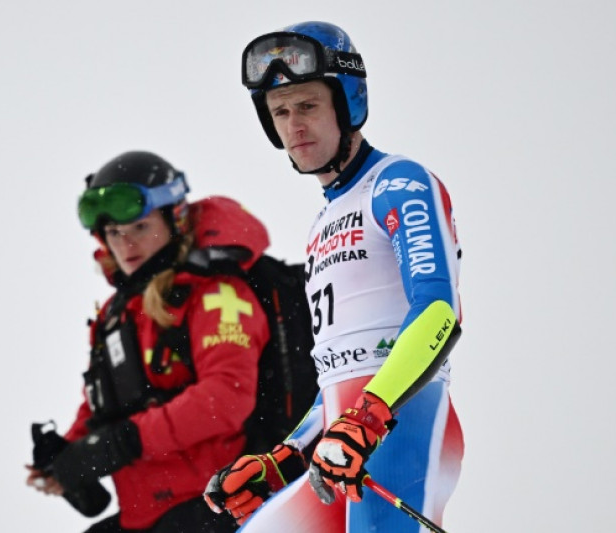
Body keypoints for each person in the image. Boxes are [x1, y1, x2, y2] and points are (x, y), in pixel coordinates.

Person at [203, 21, 465, 532]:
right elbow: (338, 374)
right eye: (280, 112)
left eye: (307, 106)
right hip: (349, 441)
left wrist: (369, 415)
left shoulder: (397, 182)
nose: (293, 125)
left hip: (407, 428)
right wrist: (282, 458)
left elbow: (438, 312)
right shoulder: (322, 222)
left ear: (347, 103)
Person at [27, 151, 272, 532]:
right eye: (113, 233)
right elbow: (103, 405)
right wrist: (68, 455)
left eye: (139, 227)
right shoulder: (116, 314)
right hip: (146, 513)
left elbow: (226, 397)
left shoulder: (217, 293)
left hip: (217, 503)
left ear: (173, 219)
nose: (125, 245)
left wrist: (128, 440)